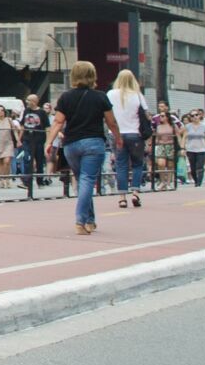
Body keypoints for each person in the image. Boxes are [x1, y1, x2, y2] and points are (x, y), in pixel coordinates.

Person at [47, 60, 120, 236]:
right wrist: (119, 138)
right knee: (87, 180)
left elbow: (58, 122)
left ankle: (90, 220)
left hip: (71, 144)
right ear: (92, 76)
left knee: (82, 180)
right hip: (93, 142)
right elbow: (111, 122)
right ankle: (80, 220)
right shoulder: (100, 97)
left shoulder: (65, 97)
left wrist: (49, 142)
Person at [107, 70, 148, 209]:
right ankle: (135, 193)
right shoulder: (138, 95)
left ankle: (122, 198)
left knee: (121, 165)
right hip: (134, 133)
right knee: (137, 164)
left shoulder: (111, 94)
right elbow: (146, 114)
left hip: (116, 133)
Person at [182, 109, 205, 186]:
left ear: (199, 116)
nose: (195, 117)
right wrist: (183, 148)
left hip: (201, 149)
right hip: (191, 149)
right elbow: (184, 137)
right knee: (192, 168)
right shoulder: (188, 126)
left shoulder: (204, 127)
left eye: (196, 115)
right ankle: (195, 180)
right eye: (192, 116)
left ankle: (199, 182)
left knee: (200, 166)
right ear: (190, 118)